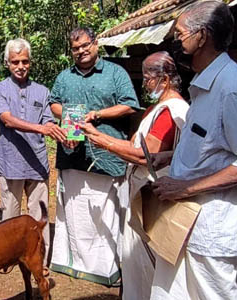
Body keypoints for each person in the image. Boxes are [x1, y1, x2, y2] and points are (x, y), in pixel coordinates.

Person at [150, 2, 237, 299]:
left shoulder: (230, 87)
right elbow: (213, 147)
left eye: (180, 35)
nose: (177, 42)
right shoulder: (206, 85)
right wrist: (170, 157)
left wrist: (185, 188)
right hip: (188, 225)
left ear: (202, 36)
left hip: (213, 230)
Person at [81, 51, 189, 299]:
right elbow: (134, 146)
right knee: (136, 259)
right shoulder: (157, 108)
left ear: (164, 79)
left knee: (150, 262)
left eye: (148, 78)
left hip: (154, 197)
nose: (144, 84)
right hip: (143, 192)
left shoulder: (170, 111)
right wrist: (100, 137)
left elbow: (144, 155)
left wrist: (102, 141)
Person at [48, 27, 140, 285]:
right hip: (72, 154)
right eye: (76, 48)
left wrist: (97, 115)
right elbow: (53, 102)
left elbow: (130, 104)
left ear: (96, 44)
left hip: (107, 155)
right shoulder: (65, 76)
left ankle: (107, 266)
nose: (81, 51)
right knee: (75, 213)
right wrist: (66, 114)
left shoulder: (115, 73)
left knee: (105, 213)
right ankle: (74, 261)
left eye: (85, 45)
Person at [0, 38, 67, 266]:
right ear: (7, 63)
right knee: (11, 216)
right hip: (9, 161)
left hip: (37, 162)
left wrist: (61, 132)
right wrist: (41, 128)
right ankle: (8, 259)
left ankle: (39, 260)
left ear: (30, 62)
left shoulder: (42, 92)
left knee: (39, 216)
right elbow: (7, 120)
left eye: (24, 61)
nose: (20, 66)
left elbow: (48, 120)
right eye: (15, 62)